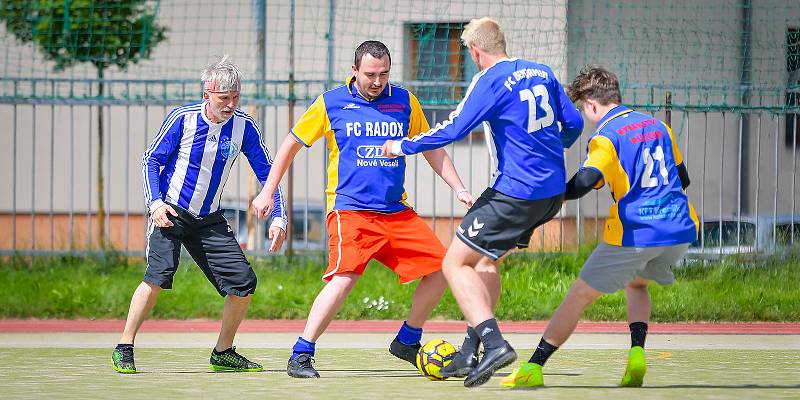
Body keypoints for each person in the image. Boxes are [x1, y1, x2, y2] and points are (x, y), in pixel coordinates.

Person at [251, 40, 475, 379]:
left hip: (396, 211)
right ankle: (301, 353)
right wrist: (267, 191)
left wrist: (459, 188)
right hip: (350, 211)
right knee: (345, 278)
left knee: (442, 269)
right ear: (354, 70)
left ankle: (407, 340)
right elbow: (290, 144)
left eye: (384, 74)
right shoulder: (331, 102)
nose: (377, 81)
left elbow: (431, 147)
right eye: (370, 74)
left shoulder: (404, 101)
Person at [383, 17, 584, 387]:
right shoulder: (542, 71)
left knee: (453, 262)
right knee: (484, 259)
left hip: (516, 193)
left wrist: (401, 146)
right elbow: (573, 123)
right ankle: (467, 352)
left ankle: (493, 343)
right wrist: (552, 149)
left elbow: (454, 128)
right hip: (552, 194)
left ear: (475, 51)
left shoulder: (488, 80)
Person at [499, 65, 699, 388]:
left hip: (637, 231)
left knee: (577, 296)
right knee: (636, 284)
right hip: (679, 228)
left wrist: (552, 197)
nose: (586, 115)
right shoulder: (659, 126)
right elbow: (683, 178)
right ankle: (636, 354)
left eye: (583, 109)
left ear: (591, 104)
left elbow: (586, 180)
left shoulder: (606, 136)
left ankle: (533, 368)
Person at [112, 56, 287, 374]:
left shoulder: (243, 127)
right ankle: (124, 345)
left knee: (243, 283)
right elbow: (151, 160)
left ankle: (223, 351)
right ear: (207, 93)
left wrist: (278, 216)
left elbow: (268, 173)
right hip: (171, 211)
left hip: (209, 218)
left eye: (235, 97)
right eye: (223, 98)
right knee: (158, 277)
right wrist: (155, 204)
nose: (230, 104)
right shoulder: (183, 119)